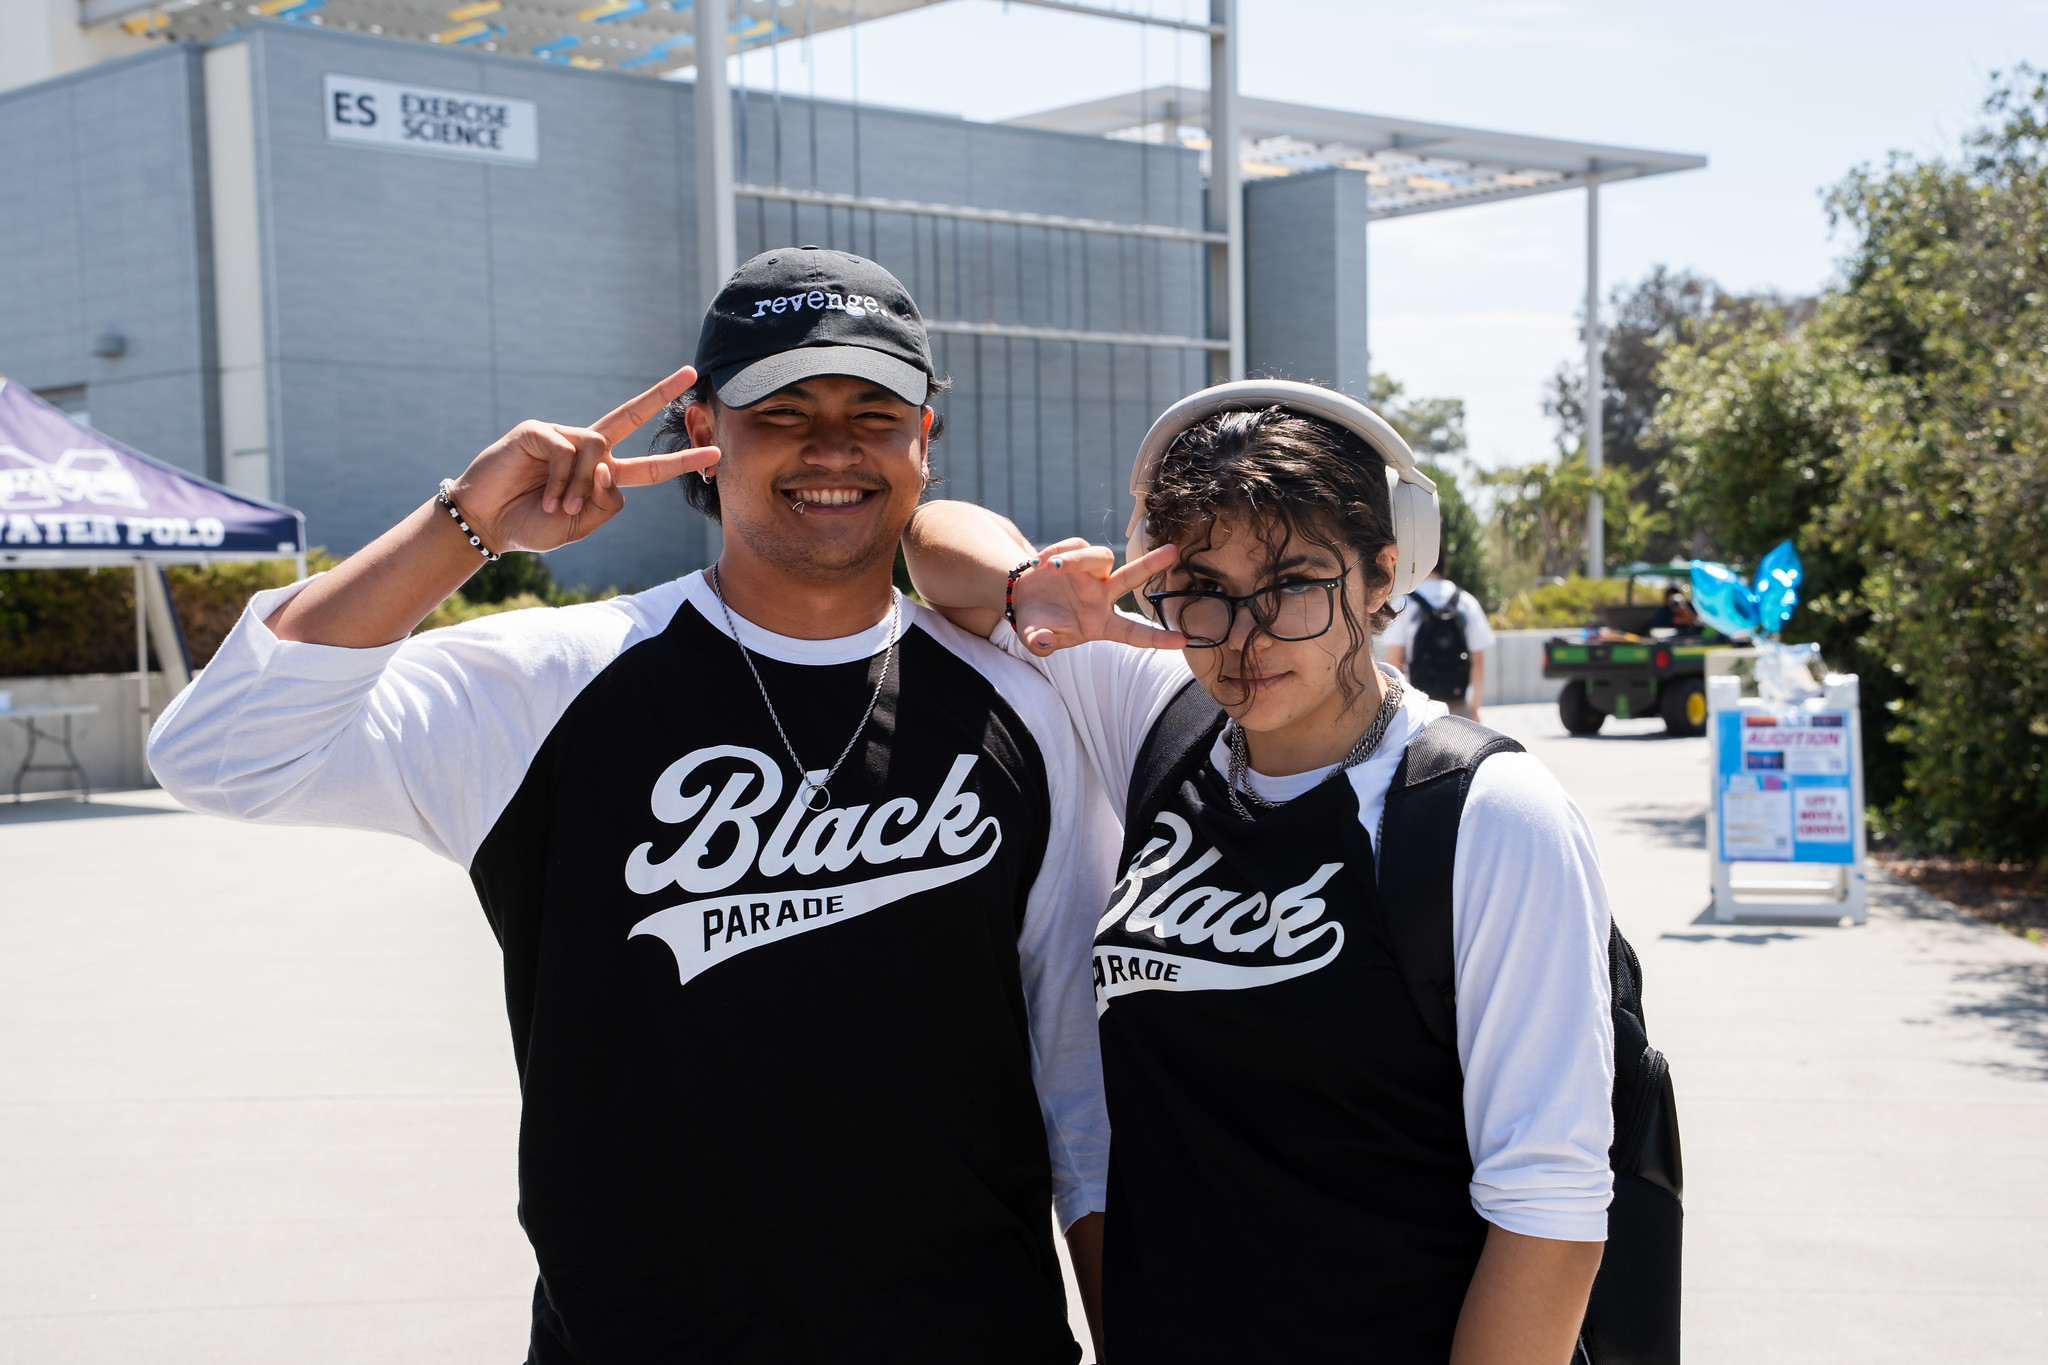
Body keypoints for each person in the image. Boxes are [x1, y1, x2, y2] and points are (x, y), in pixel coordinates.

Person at [148, 248, 1114, 1364]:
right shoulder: (549, 678)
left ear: (923, 438)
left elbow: (1072, 1079)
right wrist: (464, 528)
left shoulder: (1017, 699)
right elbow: (219, 756)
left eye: (872, 411)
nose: (831, 447)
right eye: (780, 410)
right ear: (705, 428)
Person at [903, 380, 1615, 1365]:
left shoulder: (1478, 811)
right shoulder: (1161, 715)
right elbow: (933, 542)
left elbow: (1551, 1211)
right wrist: (1033, 579)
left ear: (1379, 576)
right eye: (1201, 585)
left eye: (1290, 584)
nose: (1243, 636)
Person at [1383, 558, 1494, 720]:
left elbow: (1395, 659)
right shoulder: (1466, 601)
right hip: (1457, 704)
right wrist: (1474, 708)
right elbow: (1478, 661)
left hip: (1416, 706)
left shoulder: (1404, 602)